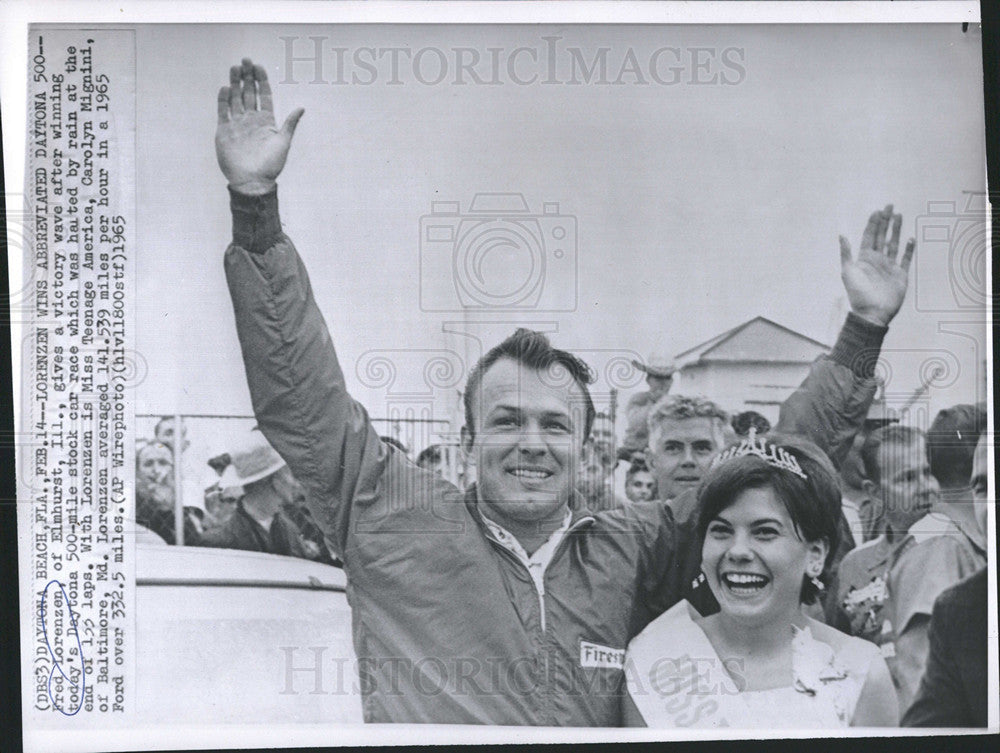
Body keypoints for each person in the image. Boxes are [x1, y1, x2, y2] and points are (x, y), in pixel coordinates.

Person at [216, 58, 914, 725]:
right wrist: (255, 211)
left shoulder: (631, 546)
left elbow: (776, 466)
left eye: (555, 425)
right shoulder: (394, 520)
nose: (531, 443)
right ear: (468, 441)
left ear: (586, 448)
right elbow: (301, 402)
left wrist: (861, 334)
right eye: (507, 420)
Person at [624, 431, 898, 728]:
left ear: (815, 554)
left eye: (765, 532)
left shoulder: (859, 672)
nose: (738, 551)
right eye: (721, 530)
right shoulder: (656, 661)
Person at [200, 429, 322, 560]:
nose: (296, 483)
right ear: (274, 480)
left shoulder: (292, 529)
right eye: (291, 473)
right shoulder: (217, 544)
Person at [645, 395, 733, 523]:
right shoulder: (628, 531)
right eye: (673, 448)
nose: (688, 460)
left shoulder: (741, 533)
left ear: (724, 459)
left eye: (702, 448)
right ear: (651, 462)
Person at [620, 353, 676, 462]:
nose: (663, 383)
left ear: (671, 381)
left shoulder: (676, 402)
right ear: (648, 380)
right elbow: (637, 424)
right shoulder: (639, 399)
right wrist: (658, 402)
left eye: (667, 378)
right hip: (635, 455)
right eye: (658, 378)